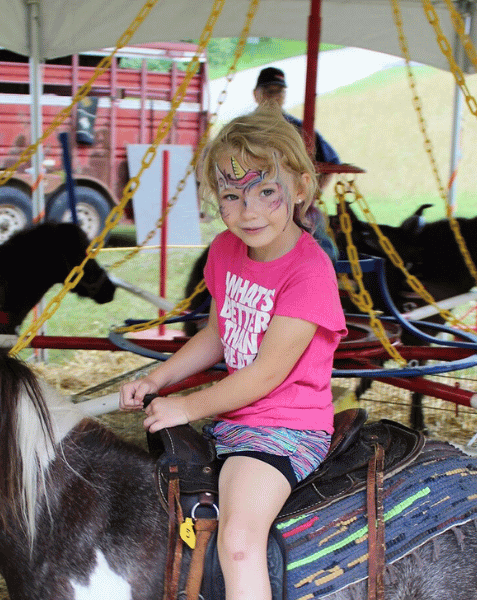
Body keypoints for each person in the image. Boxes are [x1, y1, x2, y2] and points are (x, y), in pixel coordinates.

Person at [120, 109, 347, 600]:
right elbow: (220, 332)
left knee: (240, 539)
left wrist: (186, 406)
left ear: (302, 187)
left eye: (267, 192)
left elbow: (265, 374)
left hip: (284, 429)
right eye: (230, 196)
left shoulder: (309, 273)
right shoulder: (225, 250)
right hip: (234, 419)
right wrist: (160, 379)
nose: (249, 212)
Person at [253, 66, 341, 169]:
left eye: (279, 92)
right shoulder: (243, 128)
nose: (274, 97)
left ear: (284, 95)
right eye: (269, 92)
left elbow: (331, 162)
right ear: (255, 94)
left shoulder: (300, 128)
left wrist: (315, 186)